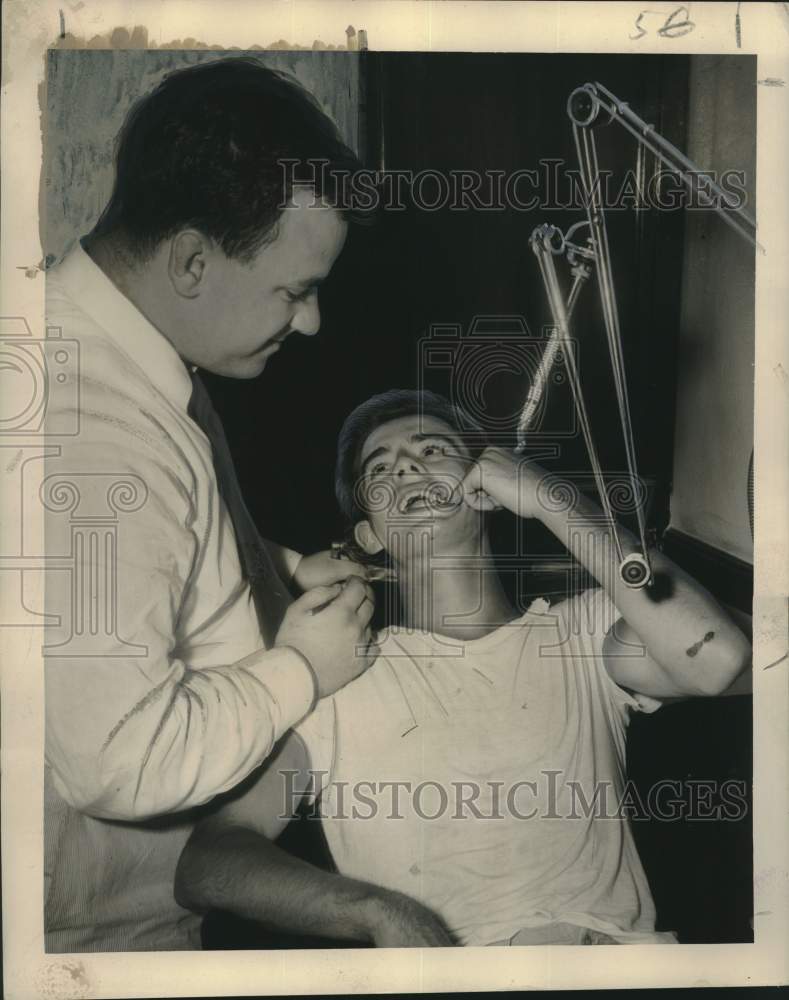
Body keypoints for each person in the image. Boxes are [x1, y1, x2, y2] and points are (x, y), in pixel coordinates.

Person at [174, 389, 752, 947]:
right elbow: (209, 861)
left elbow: (717, 658)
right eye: (379, 470)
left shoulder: (581, 633)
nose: (403, 468)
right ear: (369, 535)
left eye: (431, 451)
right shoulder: (338, 677)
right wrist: (378, 912)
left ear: (487, 489)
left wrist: (551, 498)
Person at [43, 57, 377, 952]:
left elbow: (144, 550)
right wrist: (303, 668)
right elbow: (121, 760)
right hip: (97, 943)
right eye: (294, 290)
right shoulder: (95, 429)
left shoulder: (107, 352)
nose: (308, 323)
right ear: (192, 258)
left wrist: (278, 563)